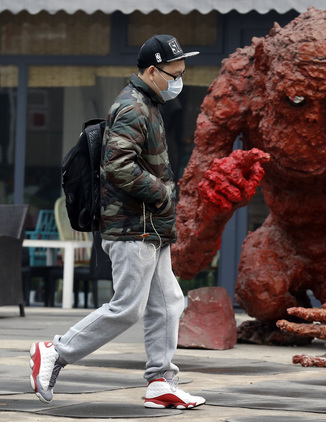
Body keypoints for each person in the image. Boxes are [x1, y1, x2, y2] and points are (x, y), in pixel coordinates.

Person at [29, 34, 205, 410]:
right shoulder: (132, 107)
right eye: (175, 73)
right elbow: (117, 166)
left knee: (169, 302)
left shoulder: (149, 104)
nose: (180, 80)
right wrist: (162, 193)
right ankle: (54, 351)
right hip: (131, 228)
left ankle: (161, 382)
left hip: (149, 227)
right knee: (127, 307)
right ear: (153, 71)